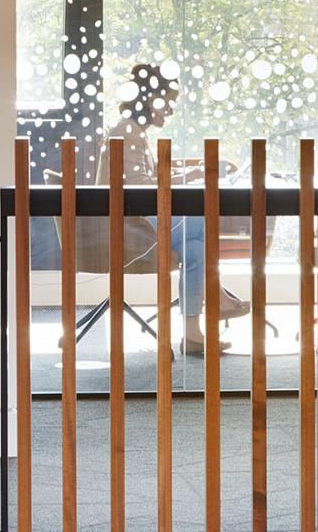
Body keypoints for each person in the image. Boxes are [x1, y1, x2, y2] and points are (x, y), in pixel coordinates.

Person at [107, 63, 251, 355]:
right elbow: (140, 187)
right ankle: (218, 298)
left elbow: (142, 181)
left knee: (196, 248)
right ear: (150, 100)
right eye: (168, 102)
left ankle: (193, 334)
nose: (170, 110)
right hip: (128, 230)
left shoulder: (132, 130)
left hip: (136, 222)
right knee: (206, 223)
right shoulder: (127, 131)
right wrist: (190, 176)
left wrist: (188, 175)